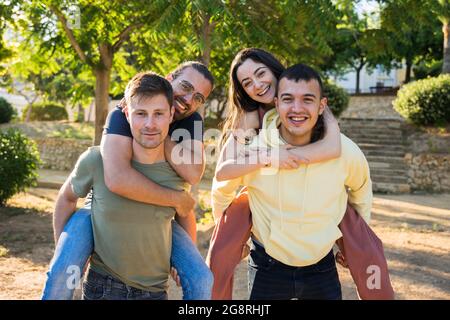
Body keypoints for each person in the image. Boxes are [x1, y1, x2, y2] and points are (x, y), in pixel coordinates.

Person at [42, 62, 214, 300]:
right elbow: (116, 179)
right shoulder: (121, 112)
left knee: (201, 277)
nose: (187, 99)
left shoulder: (191, 120)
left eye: (197, 97)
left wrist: (161, 139)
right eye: (184, 87)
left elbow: (194, 174)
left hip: (157, 217)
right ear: (170, 77)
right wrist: (176, 198)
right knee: (62, 269)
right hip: (101, 204)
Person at [212, 63, 373, 300]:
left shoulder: (346, 151)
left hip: (321, 265)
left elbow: (361, 190)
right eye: (287, 99)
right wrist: (230, 237)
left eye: (307, 100)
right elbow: (221, 188)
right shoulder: (253, 151)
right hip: (267, 265)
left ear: (321, 105)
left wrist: (354, 242)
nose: (297, 108)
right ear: (277, 104)